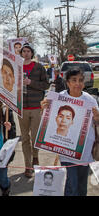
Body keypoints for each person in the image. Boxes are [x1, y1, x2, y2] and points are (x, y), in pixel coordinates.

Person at [41, 67, 99, 196]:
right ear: (67, 82)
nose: (77, 84)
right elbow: (48, 120)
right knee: (71, 185)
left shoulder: (90, 100)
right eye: (74, 80)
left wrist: (97, 118)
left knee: (82, 186)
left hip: (84, 151)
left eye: (80, 80)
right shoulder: (59, 98)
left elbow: (97, 123)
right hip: (66, 151)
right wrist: (44, 108)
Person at [19, 42, 50, 178]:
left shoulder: (39, 67)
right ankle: (28, 165)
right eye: (23, 51)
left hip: (36, 107)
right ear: (21, 54)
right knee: (25, 138)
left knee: (34, 136)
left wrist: (31, 83)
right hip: (22, 108)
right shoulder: (17, 67)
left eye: (28, 51)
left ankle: (35, 157)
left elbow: (46, 85)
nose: (26, 53)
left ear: (31, 53)